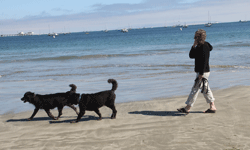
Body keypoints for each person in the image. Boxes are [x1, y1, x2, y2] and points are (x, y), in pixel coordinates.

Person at [178, 29, 217, 114]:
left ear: (200, 37)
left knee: (195, 89)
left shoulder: (204, 47)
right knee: (206, 89)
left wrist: (201, 74)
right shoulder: (199, 46)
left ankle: (187, 108)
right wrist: (193, 46)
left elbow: (204, 61)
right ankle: (212, 106)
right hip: (202, 72)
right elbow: (191, 56)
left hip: (203, 72)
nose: (194, 38)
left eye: (195, 36)